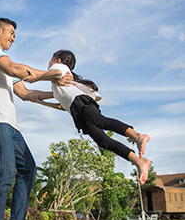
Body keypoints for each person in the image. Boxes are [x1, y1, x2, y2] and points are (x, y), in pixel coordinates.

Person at [0, 19, 71, 220]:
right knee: (6, 171)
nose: (14, 37)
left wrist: (59, 99)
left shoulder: (4, 66)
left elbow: (26, 93)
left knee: (28, 168)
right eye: (11, 32)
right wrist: (54, 74)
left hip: (9, 124)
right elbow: (14, 68)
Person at [24, 49, 151, 185]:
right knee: (102, 141)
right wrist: (41, 101)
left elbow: (55, 72)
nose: (49, 62)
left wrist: (36, 77)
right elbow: (62, 105)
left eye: (51, 58)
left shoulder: (59, 67)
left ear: (58, 60)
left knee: (100, 121)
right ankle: (139, 161)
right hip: (76, 109)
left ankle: (137, 136)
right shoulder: (57, 85)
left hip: (80, 102)